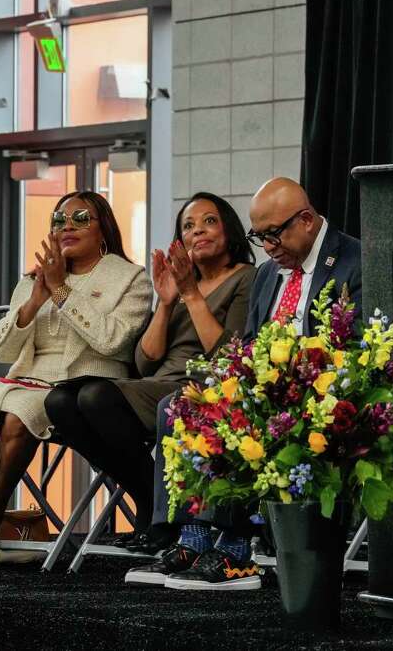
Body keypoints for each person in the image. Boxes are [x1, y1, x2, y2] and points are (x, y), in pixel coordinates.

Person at [127, 177, 362, 592]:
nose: (268, 247)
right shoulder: (270, 274)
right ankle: (190, 537)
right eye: (260, 237)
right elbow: (249, 345)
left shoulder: (354, 261)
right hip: (262, 380)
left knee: (243, 412)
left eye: (274, 234)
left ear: (306, 220)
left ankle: (237, 547)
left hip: (315, 387)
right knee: (178, 405)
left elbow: (355, 343)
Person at [0, 190, 152, 572]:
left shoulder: (129, 278)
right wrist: (35, 300)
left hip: (82, 387)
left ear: (103, 226)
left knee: (17, 413)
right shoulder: (35, 277)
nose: (67, 226)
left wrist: (63, 291)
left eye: (80, 218)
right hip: (26, 380)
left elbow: (111, 342)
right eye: (59, 219)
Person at [45, 191, 255, 556]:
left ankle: (158, 513)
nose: (198, 231)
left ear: (229, 231)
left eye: (209, 221)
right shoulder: (180, 283)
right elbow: (146, 362)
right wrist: (168, 300)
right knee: (60, 401)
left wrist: (191, 295)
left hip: (201, 386)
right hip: (157, 384)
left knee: (95, 397)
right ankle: (146, 494)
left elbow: (228, 358)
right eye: (188, 226)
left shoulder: (245, 278)